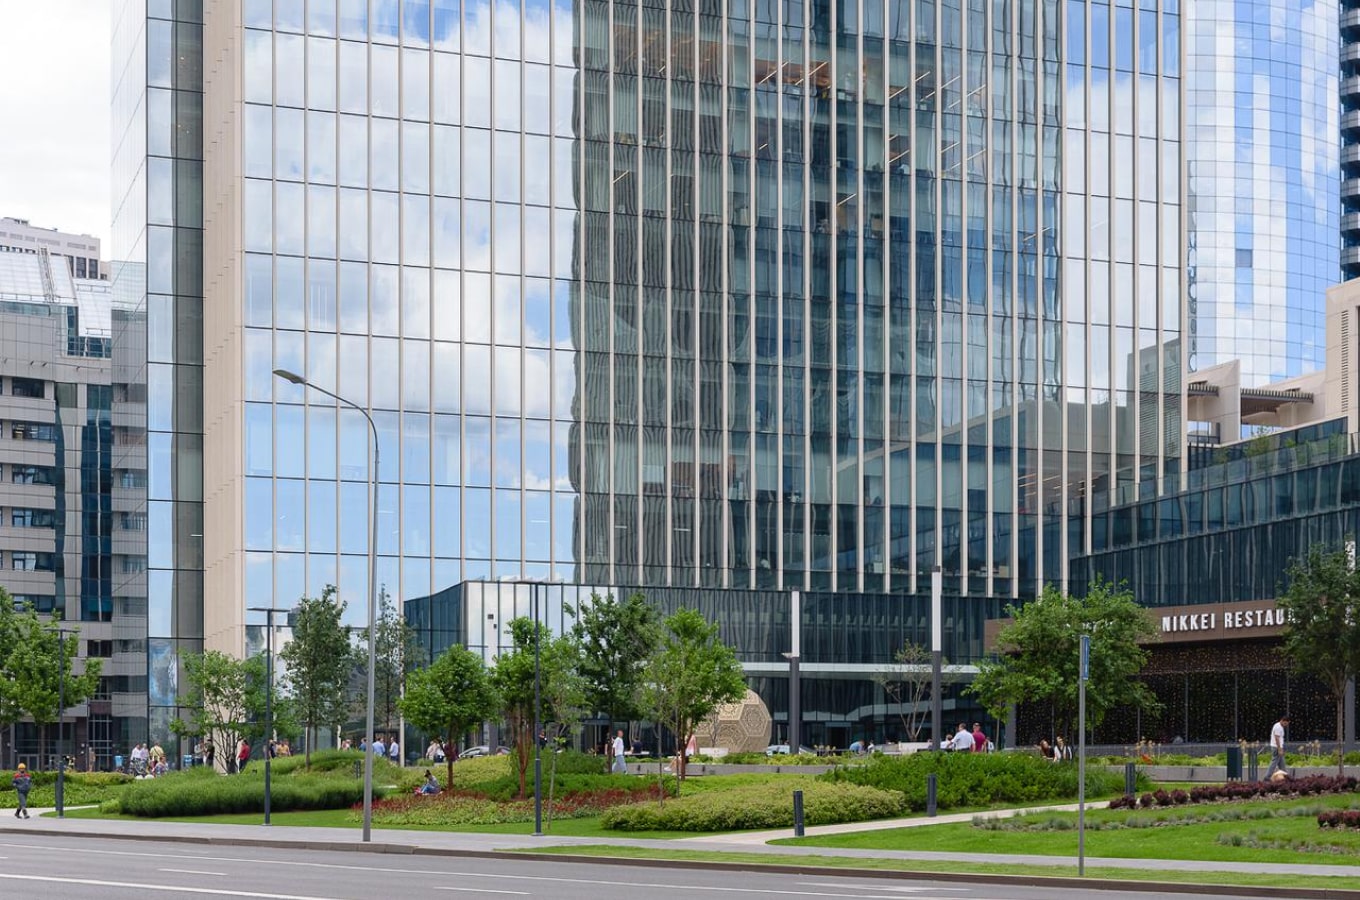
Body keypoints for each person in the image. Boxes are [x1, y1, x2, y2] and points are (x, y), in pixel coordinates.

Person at [1267, 715, 1290, 779]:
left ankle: (1285, 776)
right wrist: (1279, 749)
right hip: (1276, 747)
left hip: (1278, 747)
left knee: (1281, 763)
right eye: (1285, 723)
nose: (1286, 725)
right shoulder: (1278, 727)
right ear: (1282, 721)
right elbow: (1277, 738)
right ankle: (1267, 777)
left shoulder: (1279, 726)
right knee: (1274, 763)